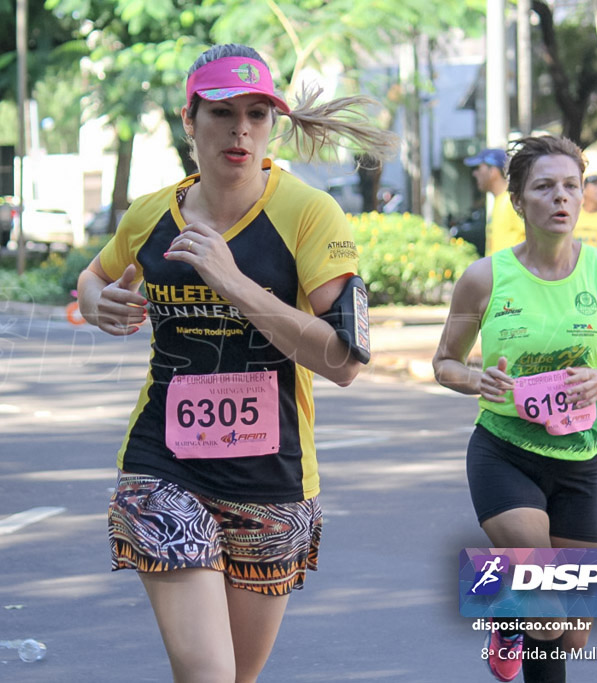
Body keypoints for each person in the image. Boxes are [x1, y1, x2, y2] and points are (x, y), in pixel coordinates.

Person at [77, 43, 396, 682]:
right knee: (208, 675)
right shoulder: (150, 215)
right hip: (161, 466)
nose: (241, 130)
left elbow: (343, 362)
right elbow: (93, 278)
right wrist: (98, 304)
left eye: (257, 113)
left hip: (272, 480)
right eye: (222, 113)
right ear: (189, 120)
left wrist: (235, 283)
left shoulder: (309, 213)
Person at [433, 136, 597, 682]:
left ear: (583, 197)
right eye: (544, 187)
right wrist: (475, 379)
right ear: (518, 202)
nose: (561, 198)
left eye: (571, 186)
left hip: (583, 460)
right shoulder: (485, 278)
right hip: (504, 452)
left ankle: (509, 606)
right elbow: (445, 363)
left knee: (568, 633)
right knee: (549, 603)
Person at [466, 147, 524, 256]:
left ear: (493, 172)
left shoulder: (512, 202)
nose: (475, 173)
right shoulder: (501, 201)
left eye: (478, 168)